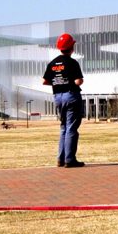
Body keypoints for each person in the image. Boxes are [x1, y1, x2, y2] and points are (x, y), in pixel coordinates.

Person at [42, 33, 85, 168]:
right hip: (71, 96)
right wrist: (70, 82)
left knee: (63, 128)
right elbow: (78, 81)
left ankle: (60, 159)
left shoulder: (53, 63)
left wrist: (59, 82)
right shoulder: (72, 63)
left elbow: (45, 81)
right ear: (72, 47)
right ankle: (69, 159)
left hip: (58, 97)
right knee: (71, 128)